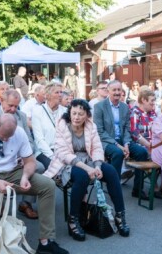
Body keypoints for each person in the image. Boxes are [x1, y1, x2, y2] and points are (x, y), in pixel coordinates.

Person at [0, 114, 69, 254]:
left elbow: (30, 161)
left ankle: (46, 241)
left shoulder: (19, 132)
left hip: (12, 172)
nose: (6, 139)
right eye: (2, 136)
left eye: (9, 136)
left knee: (47, 185)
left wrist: (25, 176)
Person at [44, 99, 129, 241]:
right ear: (69, 113)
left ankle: (120, 215)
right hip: (68, 163)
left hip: (89, 160)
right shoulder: (62, 125)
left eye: (80, 114)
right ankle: (73, 219)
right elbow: (62, 153)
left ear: (87, 115)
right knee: (82, 176)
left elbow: (96, 148)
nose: (76, 117)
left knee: (111, 172)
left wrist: (97, 166)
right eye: (74, 113)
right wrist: (88, 168)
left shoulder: (91, 126)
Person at [0, 89, 41, 220]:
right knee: (2, 170)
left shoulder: (22, 116)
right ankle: (0, 203)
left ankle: (26, 203)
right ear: (1, 101)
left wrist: (23, 156)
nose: (14, 109)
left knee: (39, 167)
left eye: (16, 105)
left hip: (21, 157)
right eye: (10, 105)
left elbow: (30, 141)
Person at [93, 80, 150, 199]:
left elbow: (127, 128)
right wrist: (118, 145)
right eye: (114, 90)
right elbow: (99, 131)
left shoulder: (125, 107)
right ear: (108, 91)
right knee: (118, 153)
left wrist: (127, 144)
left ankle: (137, 189)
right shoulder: (99, 107)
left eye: (119, 90)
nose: (117, 92)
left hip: (123, 140)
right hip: (106, 141)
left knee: (142, 152)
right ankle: (114, 187)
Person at [32, 82, 67, 169]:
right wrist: (52, 156)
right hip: (44, 152)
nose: (60, 95)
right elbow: (39, 140)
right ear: (47, 95)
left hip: (62, 151)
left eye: (61, 92)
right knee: (56, 168)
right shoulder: (37, 112)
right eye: (57, 92)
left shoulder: (66, 111)